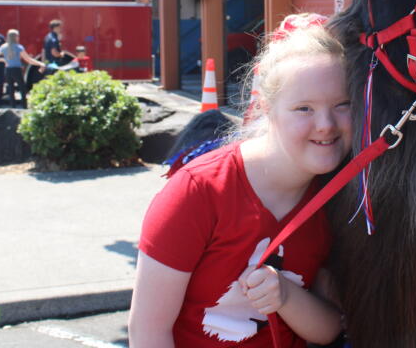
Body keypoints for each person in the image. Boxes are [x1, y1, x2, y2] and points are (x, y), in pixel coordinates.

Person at [129, 25, 346, 347]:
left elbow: (329, 330)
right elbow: (147, 331)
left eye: (343, 104)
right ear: (267, 110)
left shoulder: (341, 198)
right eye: (304, 108)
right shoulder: (198, 192)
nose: (326, 125)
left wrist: (286, 295)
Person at [0, 29, 45, 109]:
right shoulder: (19, 47)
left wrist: (3, 60)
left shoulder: (4, 46)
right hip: (16, 70)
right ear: (15, 37)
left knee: (11, 89)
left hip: (8, 70)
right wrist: (40, 63)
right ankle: (24, 106)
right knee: (22, 88)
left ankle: (13, 107)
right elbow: (28, 59)